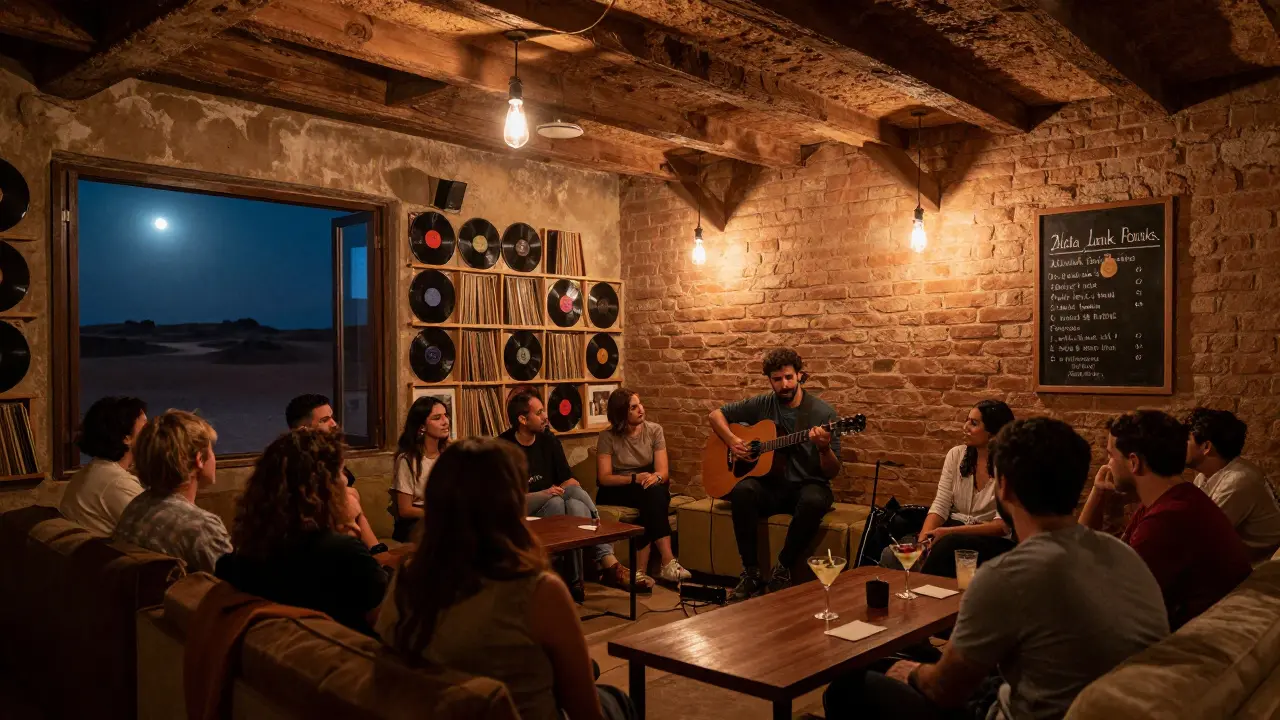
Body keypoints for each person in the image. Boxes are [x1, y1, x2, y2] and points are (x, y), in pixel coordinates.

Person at [824, 418, 1169, 720]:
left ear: (1003, 486)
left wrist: (912, 673)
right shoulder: (1123, 554)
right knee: (905, 655)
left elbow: (945, 690)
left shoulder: (1007, 576)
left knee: (847, 688)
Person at [376, 437, 635, 720]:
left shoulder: (407, 579)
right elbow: (586, 712)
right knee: (616, 698)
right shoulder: (538, 591)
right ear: (510, 503)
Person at [1080, 409, 1252, 629]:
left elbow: (1110, 603)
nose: (1107, 464)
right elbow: (1085, 554)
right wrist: (1098, 493)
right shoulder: (1176, 498)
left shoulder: (1167, 521)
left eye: (1111, 456)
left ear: (1134, 462)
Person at [216, 429, 389, 635]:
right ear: (326, 486)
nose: (345, 480)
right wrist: (350, 522)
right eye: (341, 472)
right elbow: (392, 624)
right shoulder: (345, 554)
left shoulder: (237, 562)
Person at [708, 347, 840, 601]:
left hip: (807, 485)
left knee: (814, 499)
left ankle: (783, 569)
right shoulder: (763, 404)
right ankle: (751, 573)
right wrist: (733, 441)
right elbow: (715, 416)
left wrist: (824, 448)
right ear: (769, 380)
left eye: (789, 377)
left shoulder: (822, 413)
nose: (784, 384)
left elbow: (832, 471)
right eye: (777, 379)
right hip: (772, 486)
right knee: (743, 491)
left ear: (800, 375)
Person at [499, 390, 637, 599]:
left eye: (544, 410)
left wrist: (566, 490)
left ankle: (578, 584)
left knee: (574, 503)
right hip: (522, 508)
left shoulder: (548, 440)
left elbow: (568, 480)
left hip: (554, 501)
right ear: (523, 420)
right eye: (539, 412)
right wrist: (545, 493)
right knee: (556, 502)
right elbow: (508, 500)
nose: (546, 416)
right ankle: (593, 568)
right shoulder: (503, 447)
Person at [880, 400, 1017, 577]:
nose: (965, 427)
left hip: (989, 539)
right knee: (891, 554)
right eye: (967, 420)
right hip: (951, 530)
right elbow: (940, 505)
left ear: (993, 433)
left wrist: (947, 533)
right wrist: (923, 542)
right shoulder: (956, 455)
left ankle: (925, 591)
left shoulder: (1009, 464)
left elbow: (1001, 527)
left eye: (974, 423)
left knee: (945, 549)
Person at [113, 410, 233, 573]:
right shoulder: (201, 527)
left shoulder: (135, 507)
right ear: (199, 459)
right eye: (212, 450)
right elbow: (236, 584)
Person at [595, 388, 690, 585]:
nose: (641, 409)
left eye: (640, 404)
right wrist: (634, 478)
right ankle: (667, 561)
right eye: (634, 407)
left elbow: (663, 472)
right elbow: (604, 478)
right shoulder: (607, 437)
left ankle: (641, 572)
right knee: (653, 496)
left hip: (646, 485)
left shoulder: (654, 430)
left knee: (653, 495)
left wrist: (656, 477)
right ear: (622, 413)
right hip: (617, 488)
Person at [1185, 407, 1280, 562]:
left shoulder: (1238, 480)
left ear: (1206, 447)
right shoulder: (1203, 477)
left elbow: (1199, 536)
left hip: (1261, 567)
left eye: (1186, 440)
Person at [286, 393, 379, 546]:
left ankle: (376, 550)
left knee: (350, 495)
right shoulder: (293, 460)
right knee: (348, 497)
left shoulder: (329, 455)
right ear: (303, 430)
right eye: (324, 420)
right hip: (309, 534)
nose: (334, 424)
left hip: (338, 529)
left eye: (332, 417)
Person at [59, 396, 148, 536]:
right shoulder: (118, 484)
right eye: (145, 427)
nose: (152, 433)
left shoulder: (91, 472)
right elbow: (158, 533)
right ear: (126, 438)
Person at [388, 396, 450, 543]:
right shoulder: (408, 460)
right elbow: (405, 510)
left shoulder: (449, 454)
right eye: (437, 418)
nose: (445, 421)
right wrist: (439, 515)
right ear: (422, 427)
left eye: (445, 415)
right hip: (417, 522)